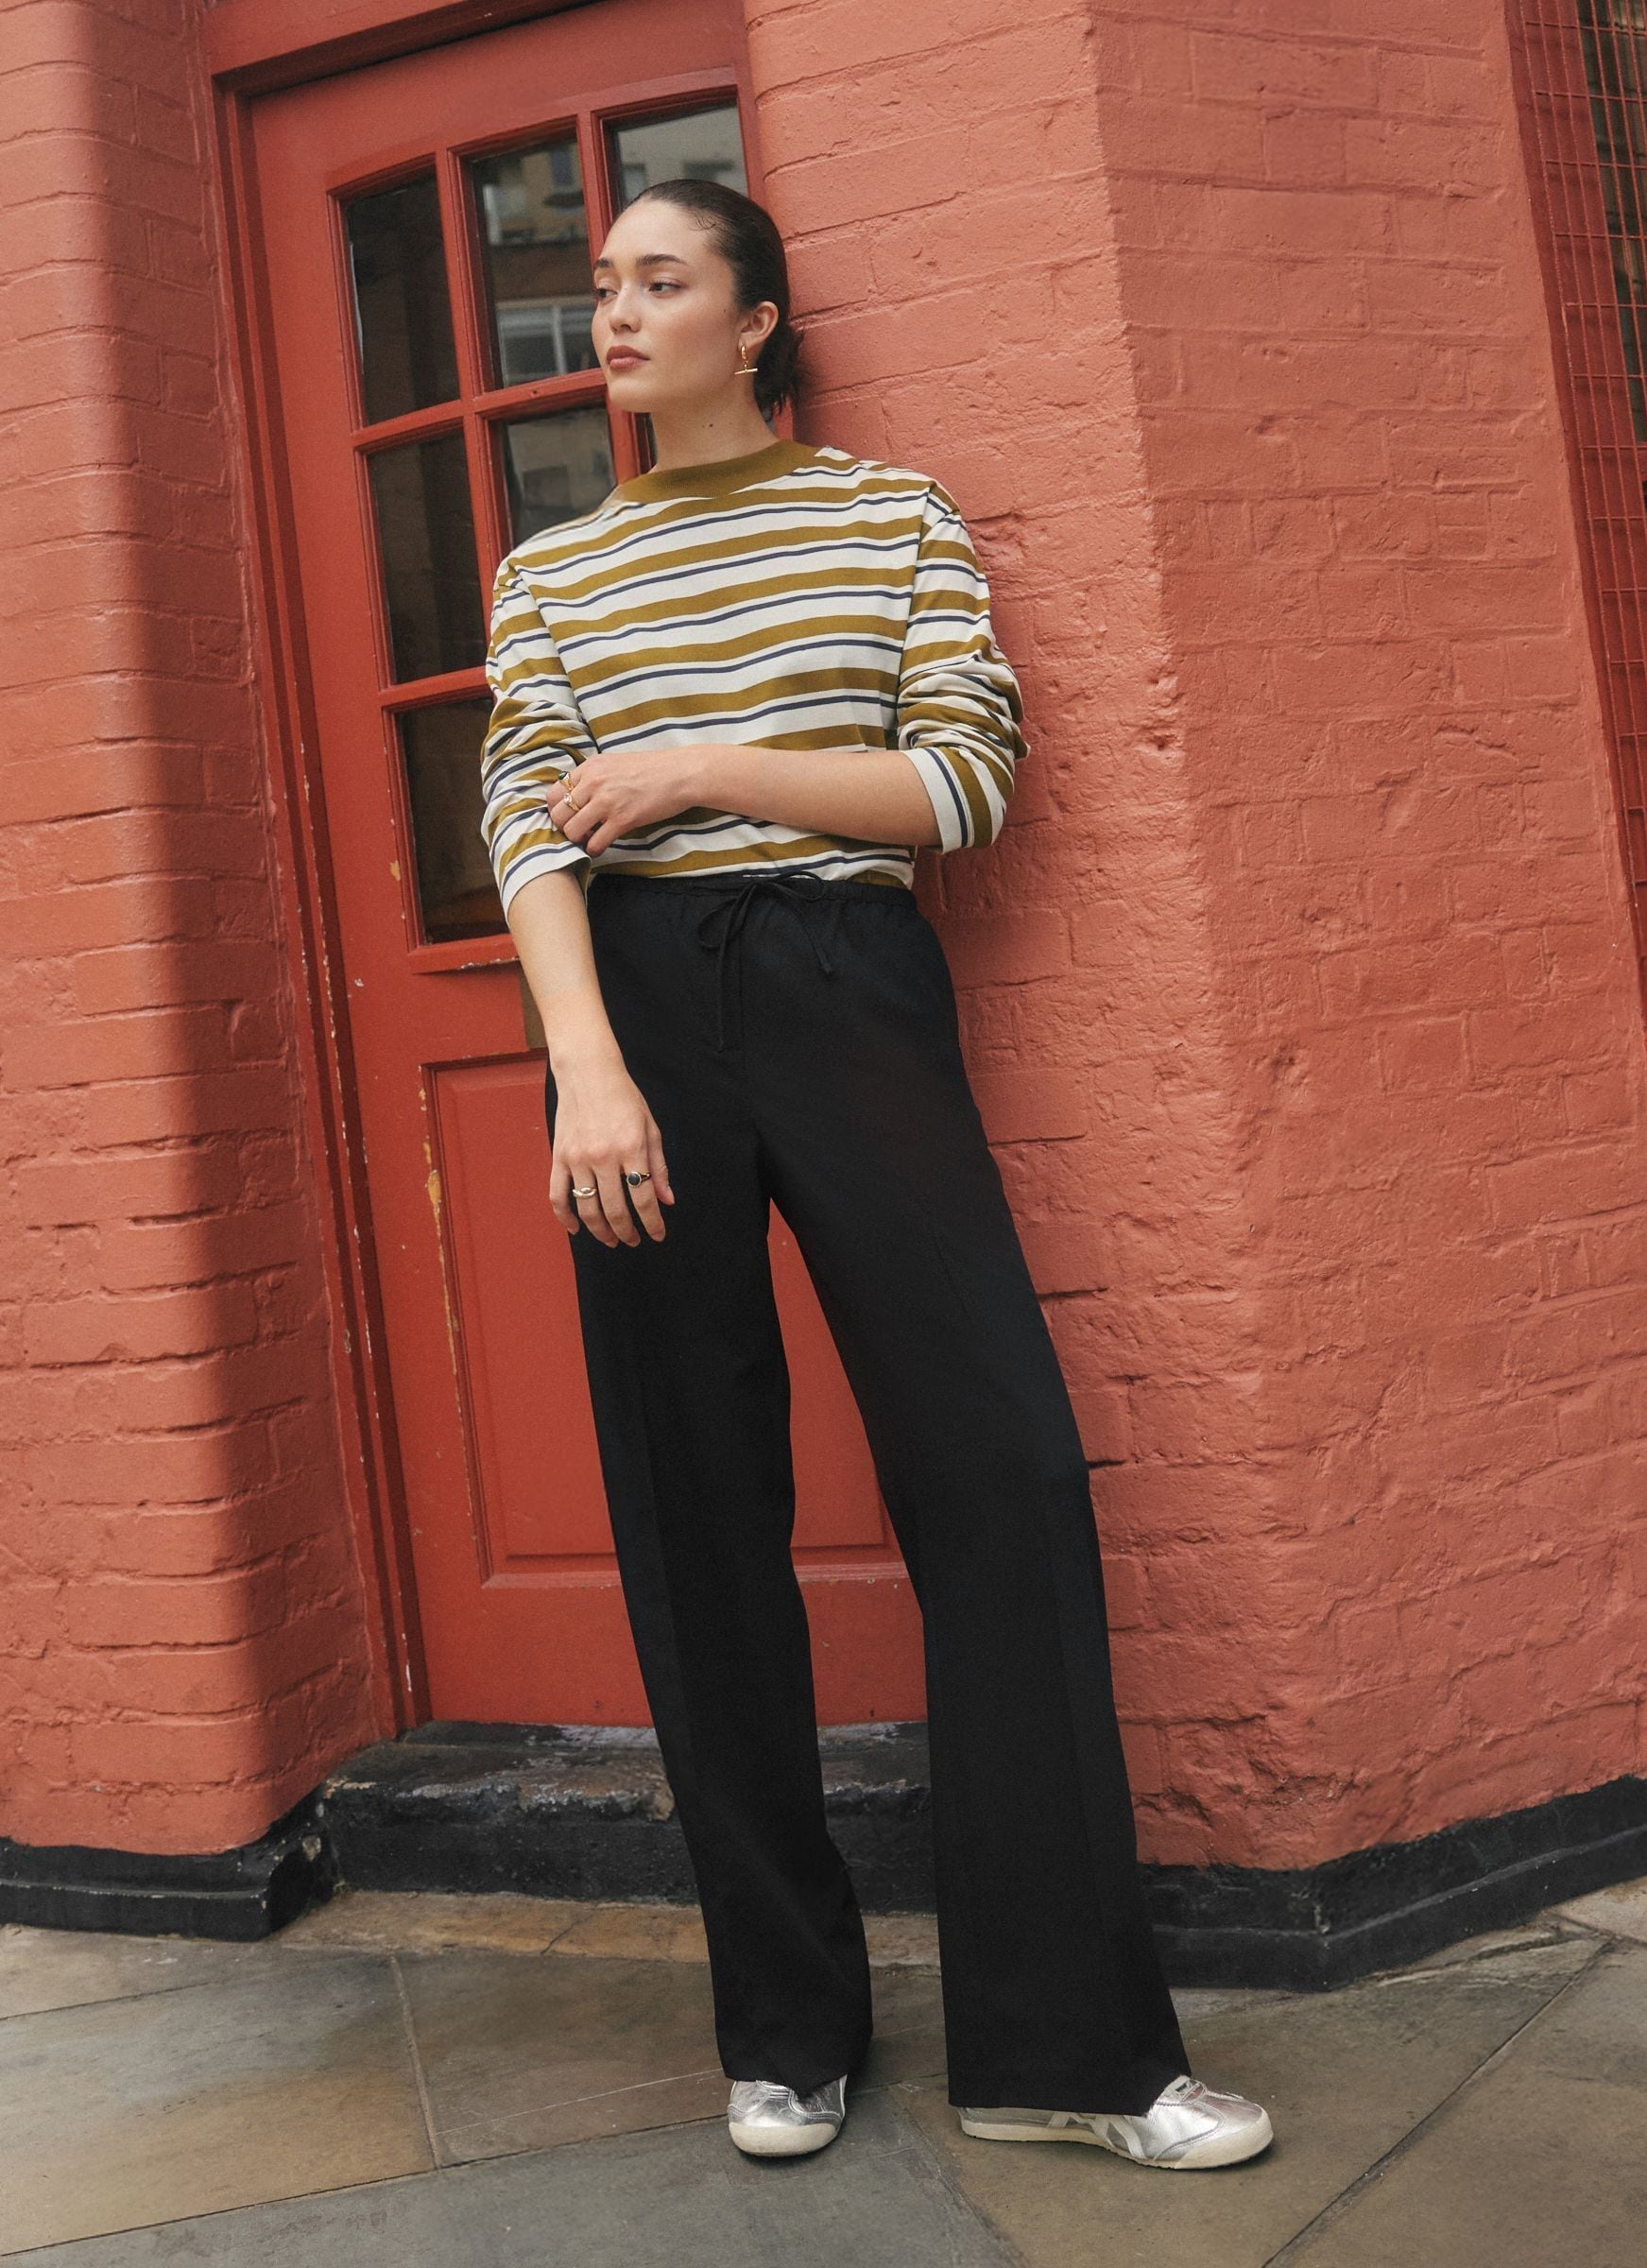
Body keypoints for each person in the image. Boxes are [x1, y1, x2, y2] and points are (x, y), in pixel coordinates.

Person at [478, 175, 1273, 2175]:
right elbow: (527, 826)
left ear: (755, 322)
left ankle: (1069, 2053)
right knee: (695, 1507)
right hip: (635, 1019)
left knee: (1001, 1468)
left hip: (849, 978)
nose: (615, 313)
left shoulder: (888, 517)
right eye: (603, 285)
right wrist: (586, 1071)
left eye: (662, 281)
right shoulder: (552, 572)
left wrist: (707, 767)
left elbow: (963, 781)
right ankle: (784, 2028)